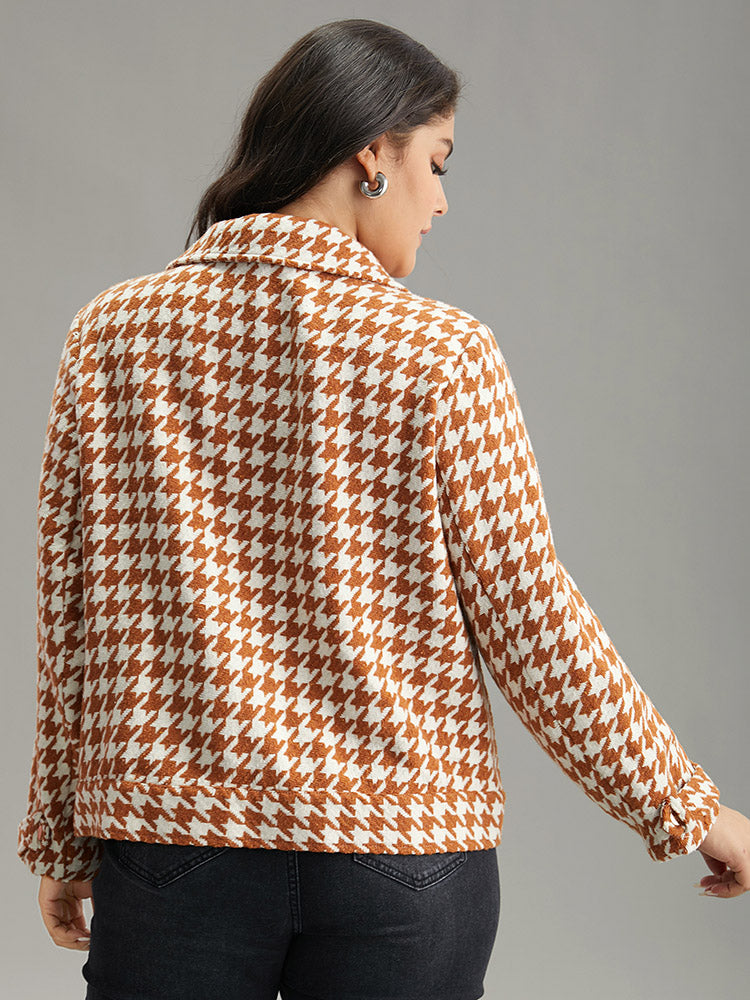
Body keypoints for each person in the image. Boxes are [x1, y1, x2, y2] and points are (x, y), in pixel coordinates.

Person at [17, 16, 748, 1000]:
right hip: (404, 857)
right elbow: (531, 616)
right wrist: (689, 809)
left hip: (171, 848)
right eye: (436, 163)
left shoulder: (111, 337)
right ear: (373, 153)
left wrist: (61, 838)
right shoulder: (443, 355)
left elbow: (70, 612)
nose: (440, 200)